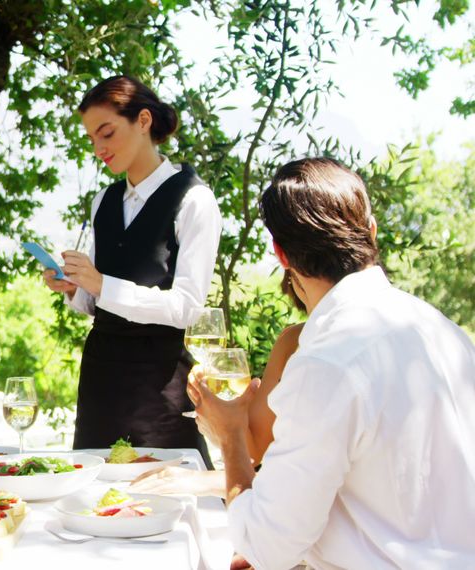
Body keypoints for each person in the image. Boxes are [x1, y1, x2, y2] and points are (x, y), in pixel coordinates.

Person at [192, 157, 475, 569]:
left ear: (281, 255)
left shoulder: (325, 363)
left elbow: (268, 547)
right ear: (372, 231)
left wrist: (231, 436)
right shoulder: (446, 332)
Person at [43, 75, 222, 459]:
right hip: (100, 381)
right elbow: (99, 301)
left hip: (159, 387)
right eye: (92, 140)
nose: (99, 148)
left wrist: (102, 282)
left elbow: (187, 307)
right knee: (93, 505)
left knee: (169, 501)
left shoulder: (194, 200)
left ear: (143, 121)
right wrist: (76, 288)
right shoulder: (103, 202)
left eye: (106, 133)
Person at [130, 270, 305, 497]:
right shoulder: (291, 341)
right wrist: (222, 417)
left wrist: (206, 481)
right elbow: (253, 452)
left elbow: (313, 483)